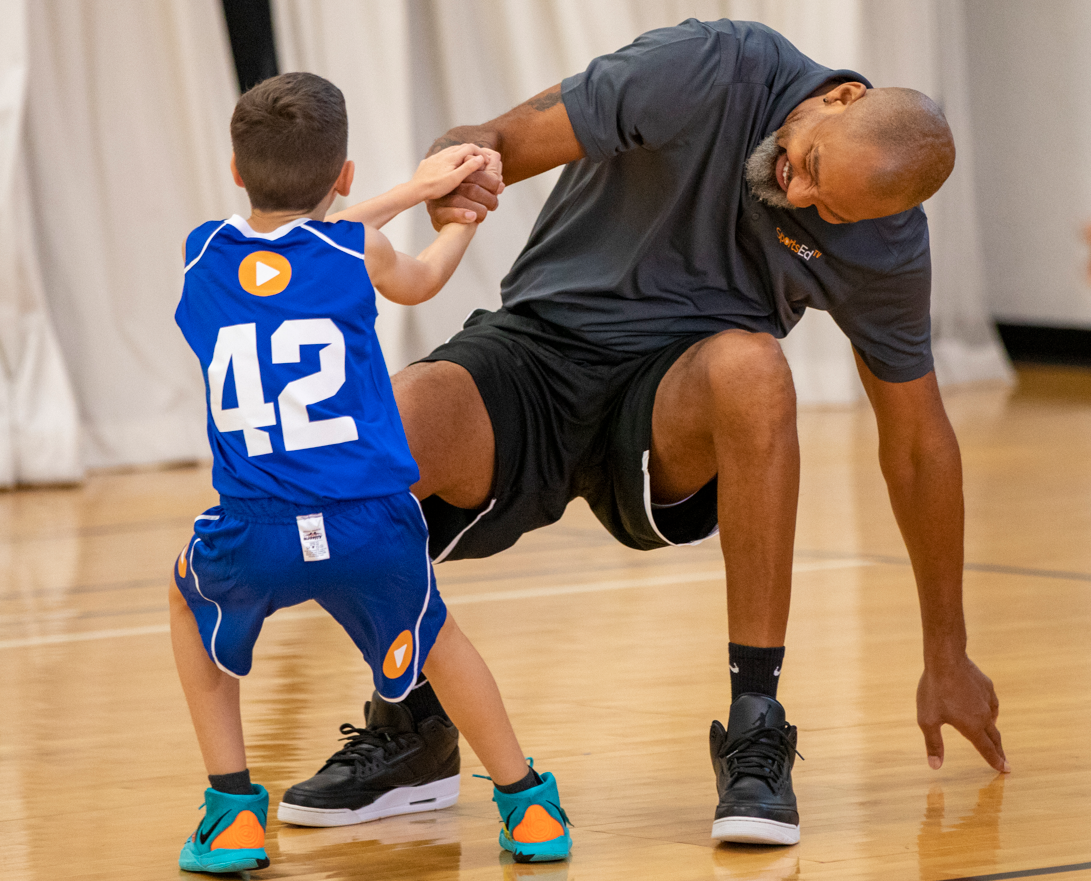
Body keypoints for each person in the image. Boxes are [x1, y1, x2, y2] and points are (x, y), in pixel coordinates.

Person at [280, 18, 1009, 847]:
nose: (799, 194)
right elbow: (497, 141)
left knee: (754, 368)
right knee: (388, 425)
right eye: (806, 167)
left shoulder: (883, 242)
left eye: (825, 206)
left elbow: (917, 441)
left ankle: (754, 725)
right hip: (538, 351)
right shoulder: (709, 66)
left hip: (671, 406)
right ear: (840, 98)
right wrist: (460, 169)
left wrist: (946, 648)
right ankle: (410, 724)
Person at [168, 72, 572, 874]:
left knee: (189, 599)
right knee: (438, 640)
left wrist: (403, 189)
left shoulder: (202, 254)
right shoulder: (358, 246)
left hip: (257, 527)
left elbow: (295, 242)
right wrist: (455, 216)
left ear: (236, 170)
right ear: (344, 173)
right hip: (370, 521)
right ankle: (525, 804)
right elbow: (416, 276)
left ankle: (230, 811)